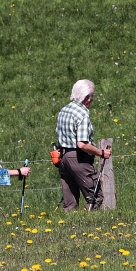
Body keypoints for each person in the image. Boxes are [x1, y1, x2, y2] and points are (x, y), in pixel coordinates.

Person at [55, 79, 112, 211]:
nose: (92, 100)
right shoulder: (82, 114)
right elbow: (82, 144)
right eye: (92, 97)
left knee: (70, 203)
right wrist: (101, 153)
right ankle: (92, 222)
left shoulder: (64, 110)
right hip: (78, 159)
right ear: (87, 97)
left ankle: (69, 222)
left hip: (63, 158)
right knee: (95, 197)